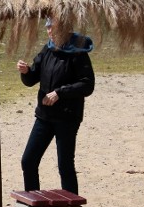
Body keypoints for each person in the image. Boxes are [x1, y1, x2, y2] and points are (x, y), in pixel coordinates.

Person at [17, 18, 95, 194]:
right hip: (44, 116)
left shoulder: (78, 53)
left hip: (67, 118)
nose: (50, 31)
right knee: (28, 161)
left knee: (65, 165)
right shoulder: (48, 49)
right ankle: (33, 205)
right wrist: (26, 72)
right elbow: (31, 79)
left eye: (53, 28)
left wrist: (60, 92)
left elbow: (87, 84)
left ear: (65, 29)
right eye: (48, 27)